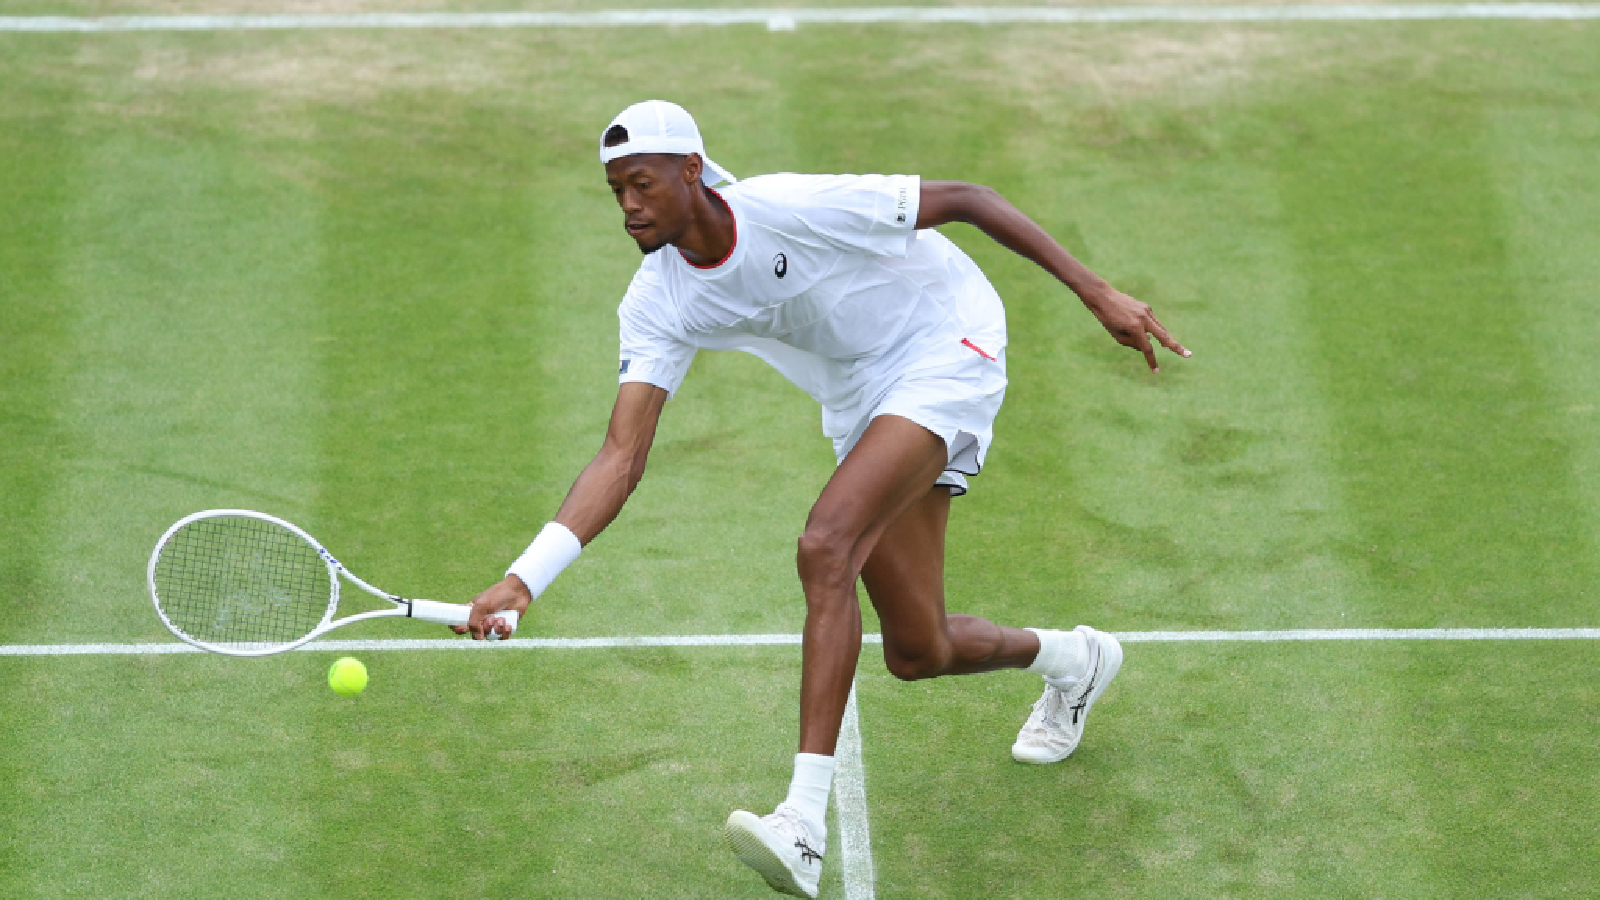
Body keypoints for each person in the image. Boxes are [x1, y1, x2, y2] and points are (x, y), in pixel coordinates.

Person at [456, 100, 1190, 898]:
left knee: (825, 543)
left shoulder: (787, 206)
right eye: (616, 191)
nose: (629, 206)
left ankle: (802, 823)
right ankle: (1076, 659)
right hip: (860, 395)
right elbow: (621, 456)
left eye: (642, 184)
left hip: (945, 340)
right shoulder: (657, 302)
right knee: (918, 651)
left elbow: (970, 199)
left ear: (692, 170)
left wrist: (1097, 292)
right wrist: (525, 578)